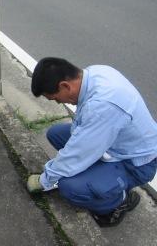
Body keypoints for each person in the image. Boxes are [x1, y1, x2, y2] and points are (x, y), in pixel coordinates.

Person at [27, 57, 157, 227]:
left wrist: (46, 180)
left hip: (136, 164)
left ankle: (119, 201)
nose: (58, 102)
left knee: (69, 187)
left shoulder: (103, 105)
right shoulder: (95, 73)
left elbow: (78, 152)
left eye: (55, 98)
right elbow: (81, 134)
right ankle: (101, 176)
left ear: (65, 86)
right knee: (56, 134)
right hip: (115, 144)